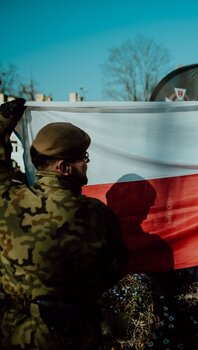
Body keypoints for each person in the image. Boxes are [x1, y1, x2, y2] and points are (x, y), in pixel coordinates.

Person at [0, 99, 128, 350]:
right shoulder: (97, 215)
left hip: (14, 335)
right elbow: (114, 267)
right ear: (64, 167)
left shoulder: (7, 201)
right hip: (75, 335)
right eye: (83, 157)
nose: (87, 163)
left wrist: (3, 121)